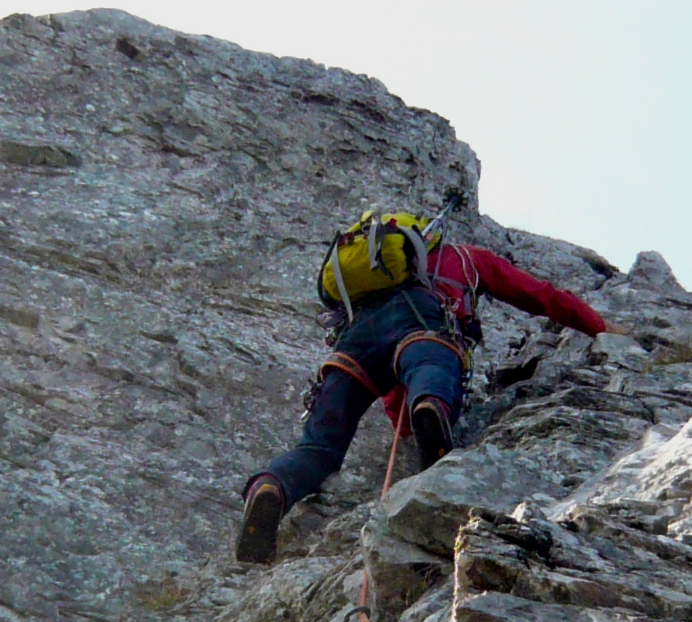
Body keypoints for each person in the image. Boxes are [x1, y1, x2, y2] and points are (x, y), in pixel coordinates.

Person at [236, 213, 608, 564]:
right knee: (430, 369)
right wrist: (600, 326)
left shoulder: (367, 291)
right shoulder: (463, 259)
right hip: (422, 327)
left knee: (318, 447)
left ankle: (271, 487)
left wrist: (402, 424)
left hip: (352, 345)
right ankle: (432, 404)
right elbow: (538, 294)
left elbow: (389, 384)